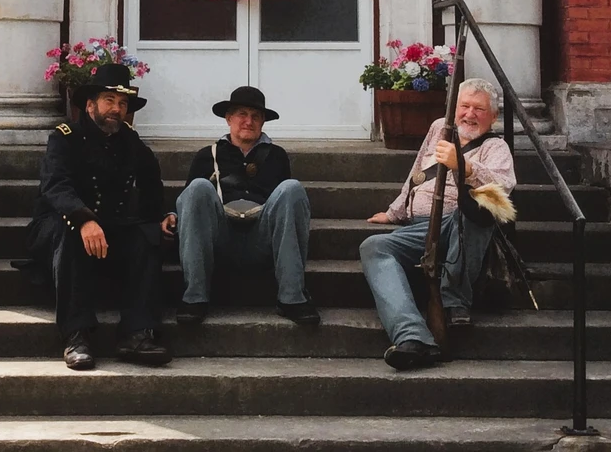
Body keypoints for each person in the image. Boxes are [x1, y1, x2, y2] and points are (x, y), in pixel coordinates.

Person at [359, 78, 516, 370]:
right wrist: (395, 212)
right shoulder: (439, 128)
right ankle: (411, 336)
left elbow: (503, 189)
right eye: (464, 106)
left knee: (475, 211)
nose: (469, 114)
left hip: (462, 228)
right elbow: (418, 171)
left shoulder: (496, 147)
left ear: (493, 117)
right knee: (374, 247)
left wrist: (466, 168)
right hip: (420, 227)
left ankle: (454, 299)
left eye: (479, 109)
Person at [26, 63, 171, 371]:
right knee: (70, 231)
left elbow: (151, 184)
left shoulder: (130, 141)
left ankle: (137, 333)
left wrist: (162, 216)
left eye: (122, 104)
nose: (116, 109)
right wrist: (84, 219)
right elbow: (56, 186)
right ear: (90, 104)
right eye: (109, 100)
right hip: (58, 227)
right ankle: (76, 336)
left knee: (146, 236)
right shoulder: (64, 138)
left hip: (111, 229)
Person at [163, 85, 320, 326]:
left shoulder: (277, 155)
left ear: (263, 122)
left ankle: (292, 297)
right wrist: (172, 215)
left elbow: (285, 208)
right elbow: (190, 201)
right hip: (220, 238)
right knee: (198, 187)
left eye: (256, 116)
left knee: (292, 188)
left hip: (261, 239)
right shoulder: (208, 155)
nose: (249, 121)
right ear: (228, 118)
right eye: (242, 115)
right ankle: (194, 297)